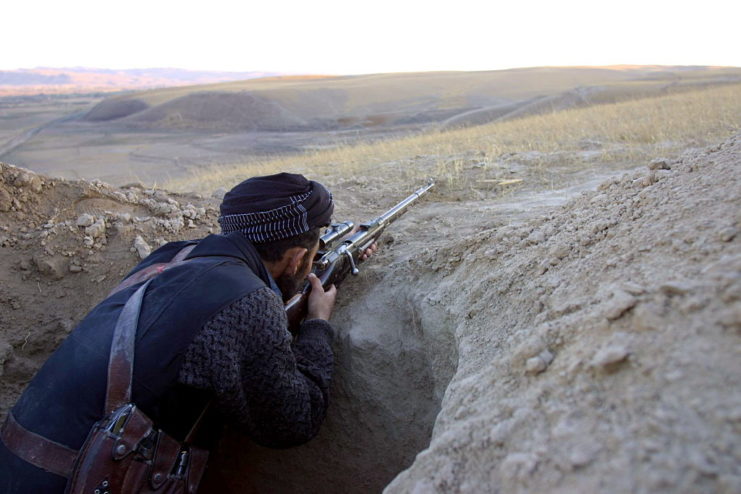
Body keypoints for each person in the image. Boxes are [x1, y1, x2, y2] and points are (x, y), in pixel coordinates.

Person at [0, 173, 375, 493]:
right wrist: (316, 324)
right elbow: (294, 420)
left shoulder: (172, 255)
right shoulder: (247, 303)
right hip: (79, 480)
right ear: (296, 258)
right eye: (308, 256)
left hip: (18, 463)